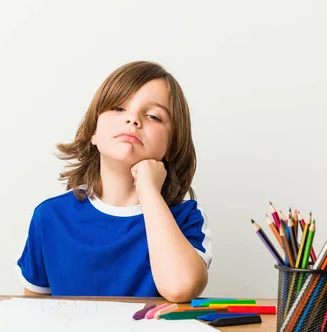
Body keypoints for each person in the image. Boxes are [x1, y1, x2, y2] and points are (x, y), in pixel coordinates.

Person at [15, 61, 212, 302]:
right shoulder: (50, 216)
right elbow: (31, 314)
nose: (133, 120)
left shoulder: (185, 217)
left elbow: (180, 288)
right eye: (119, 108)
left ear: (172, 146)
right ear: (93, 132)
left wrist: (149, 190)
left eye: (153, 116)